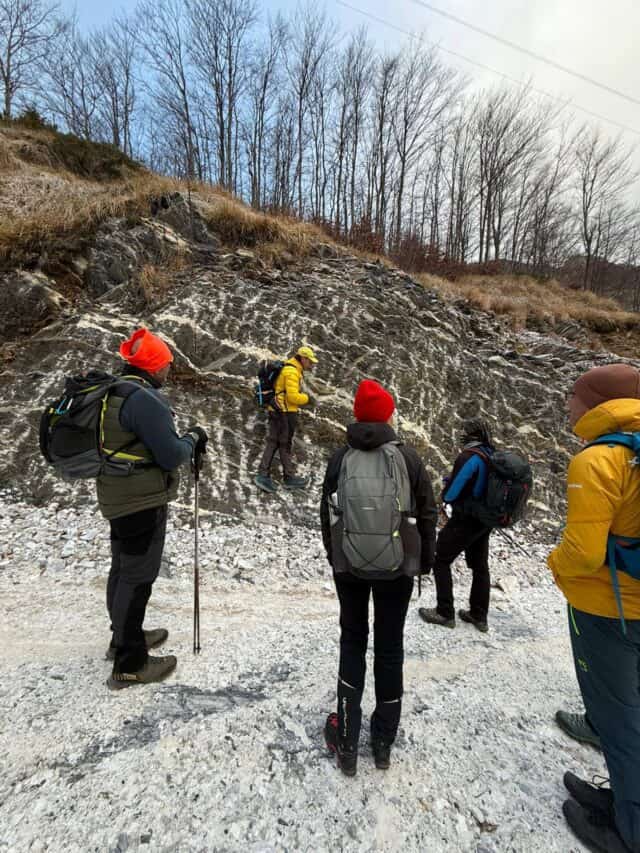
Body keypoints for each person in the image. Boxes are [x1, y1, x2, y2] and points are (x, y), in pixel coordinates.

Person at [320, 379, 437, 775]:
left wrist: (336, 558)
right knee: (390, 647)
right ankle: (383, 742)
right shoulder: (410, 459)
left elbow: (327, 514)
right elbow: (428, 514)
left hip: (349, 566)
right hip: (397, 569)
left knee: (352, 641)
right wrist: (423, 562)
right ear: (388, 414)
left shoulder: (339, 458)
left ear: (356, 414)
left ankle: (347, 739)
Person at [548, 363, 640, 853]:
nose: (568, 404)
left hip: (609, 606)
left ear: (598, 403)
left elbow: (583, 553)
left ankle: (630, 830)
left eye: (575, 396)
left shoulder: (597, 459)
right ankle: (625, 801)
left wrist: (554, 564)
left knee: (617, 716)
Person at [99, 328, 208, 689]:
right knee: (138, 575)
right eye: (165, 364)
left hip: (118, 494)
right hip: (141, 499)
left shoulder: (114, 390)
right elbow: (172, 453)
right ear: (153, 366)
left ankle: (123, 638)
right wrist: (193, 437)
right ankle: (130, 662)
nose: (168, 371)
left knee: (122, 568)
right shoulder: (144, 400)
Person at [418, 418, 495, 633]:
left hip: (466, 518)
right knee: (480, 566)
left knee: (440, 559)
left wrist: (446, 493)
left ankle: (444, 612)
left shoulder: (469, 456)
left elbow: (453, 492)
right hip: (485, 519)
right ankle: (479, 615)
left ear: (469, 438)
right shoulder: (492, 455)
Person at [255, 345, 318, 493]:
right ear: (302, 359)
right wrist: (307, 398)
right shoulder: (291, 372)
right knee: (281, 443)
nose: (311, 365)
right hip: (283, 411)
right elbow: (292, 397)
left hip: (280, 410)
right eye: (310, 361)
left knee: (279, 442)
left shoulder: (292, 369)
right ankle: (271, 476)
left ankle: (282, 476)